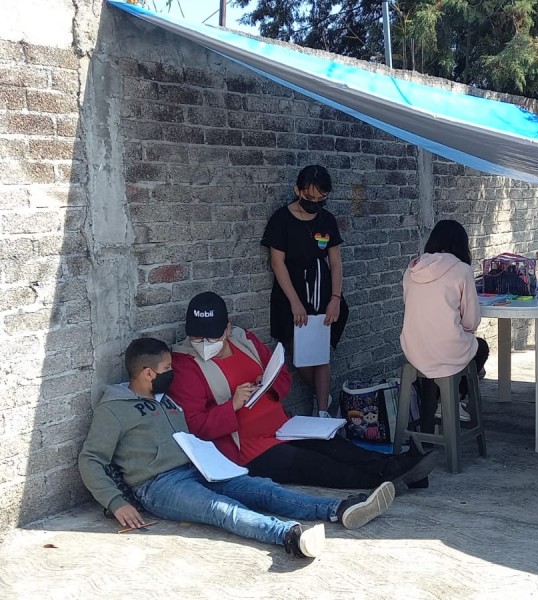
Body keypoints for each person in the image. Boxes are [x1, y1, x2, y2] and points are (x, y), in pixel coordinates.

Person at [78, 338, 395, 560]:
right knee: (220, 508)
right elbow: (91, 459)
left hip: (197, 467)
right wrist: (116, 502)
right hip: (158, 485)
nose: (172, 373)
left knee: (261, 489)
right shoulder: (115, 409)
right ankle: (289, 535)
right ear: (148, 373)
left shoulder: (167, 402)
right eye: (167, 369)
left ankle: (337, 509)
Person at [171, 292, 436, 491]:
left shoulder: (245, 341)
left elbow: (281, 376)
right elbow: (195, 426)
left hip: (283, 427)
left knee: (337, 447)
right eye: (196, 339)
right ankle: (395, 479)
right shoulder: (186, 366)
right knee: (316, 467)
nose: (204, 345)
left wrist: (269, 382)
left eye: (212, 338)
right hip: (249, 449)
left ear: (227, 329)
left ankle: (398, 467)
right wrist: (233, 405)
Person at [261, 165, 347, 417]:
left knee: (321, 353)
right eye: (310, 198)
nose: (315, 203)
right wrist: (295, 303)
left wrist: (336, 298)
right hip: (292, 295)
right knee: (301, 357)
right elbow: (277, 263)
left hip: (323, 294)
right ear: (297, 190)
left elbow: (336, 261)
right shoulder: (281, 220)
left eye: (321, 199)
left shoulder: (326, 220)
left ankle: (322, 410)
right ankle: (322, 393)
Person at [400, 220, 490, 433]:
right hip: (446, 349)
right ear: (461, 244)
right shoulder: (462, 270)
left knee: (436, 359)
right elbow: (471, 321)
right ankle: (454, 399)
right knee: (481, 347)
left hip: (413, 349)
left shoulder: (412, 269)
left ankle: (437, 408)